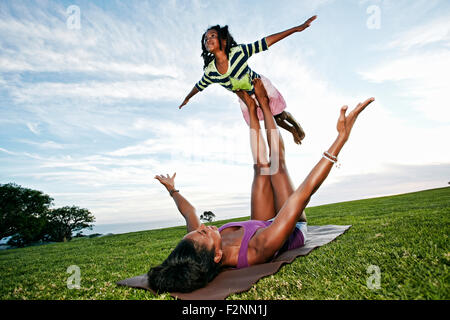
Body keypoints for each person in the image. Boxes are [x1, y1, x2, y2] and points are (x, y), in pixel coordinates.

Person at [150, 78, 375, 293]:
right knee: (276, 165)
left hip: (261, 222)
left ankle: (251, 108)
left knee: (260, 167)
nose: (203, 228)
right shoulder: (258, 249)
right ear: (217, 256)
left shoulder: (199, 246)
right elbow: (302, 195)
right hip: (291, 226)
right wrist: (340, 140)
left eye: (197, 231)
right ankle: (264, 105)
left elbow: (189, 213)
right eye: (203, 233)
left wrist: (172, 189)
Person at [178, 16, 318, 145]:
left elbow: (264, 42)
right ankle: (292, 131)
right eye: (206, 38)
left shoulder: (238, 52)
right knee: (272, 118)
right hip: (246, 98)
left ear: (224, 41)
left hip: (259, 87)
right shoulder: (211, 71)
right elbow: (199, 85)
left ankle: (294, 122)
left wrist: (295, 29)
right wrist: (187, 98)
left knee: (279, 113)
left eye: (212, 36)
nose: (208, 39)